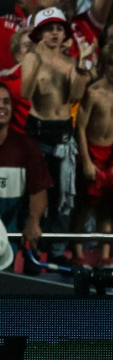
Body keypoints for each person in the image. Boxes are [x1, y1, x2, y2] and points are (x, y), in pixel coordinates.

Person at [20, 8, 91, 237]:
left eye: (59, 29)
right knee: (35, 192)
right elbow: (25, 92)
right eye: (49, 28)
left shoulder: (70, 61)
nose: (55, 33)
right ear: (40, 33)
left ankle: (57, 248)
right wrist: (39, 63)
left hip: (63, 133)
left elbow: (76, 96)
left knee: (63, 193)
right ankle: (31, 247)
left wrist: (82, 69)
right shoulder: (31, 58)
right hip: (38, 133)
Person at [72, 43, 113, 262]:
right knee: (82, 207)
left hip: (111, 155)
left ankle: (105, 256)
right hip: (90, 151)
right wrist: (86, 160)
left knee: (105, 208)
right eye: (112, 64)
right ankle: (78, 254)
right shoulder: (93, 92)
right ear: (104, 67)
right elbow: (80, 128)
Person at [0, 82, 50, 254]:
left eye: (6, 102)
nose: (2, 106)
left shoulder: (26, 147)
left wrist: (33, 221)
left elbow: (39, 189)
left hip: (8, 239)